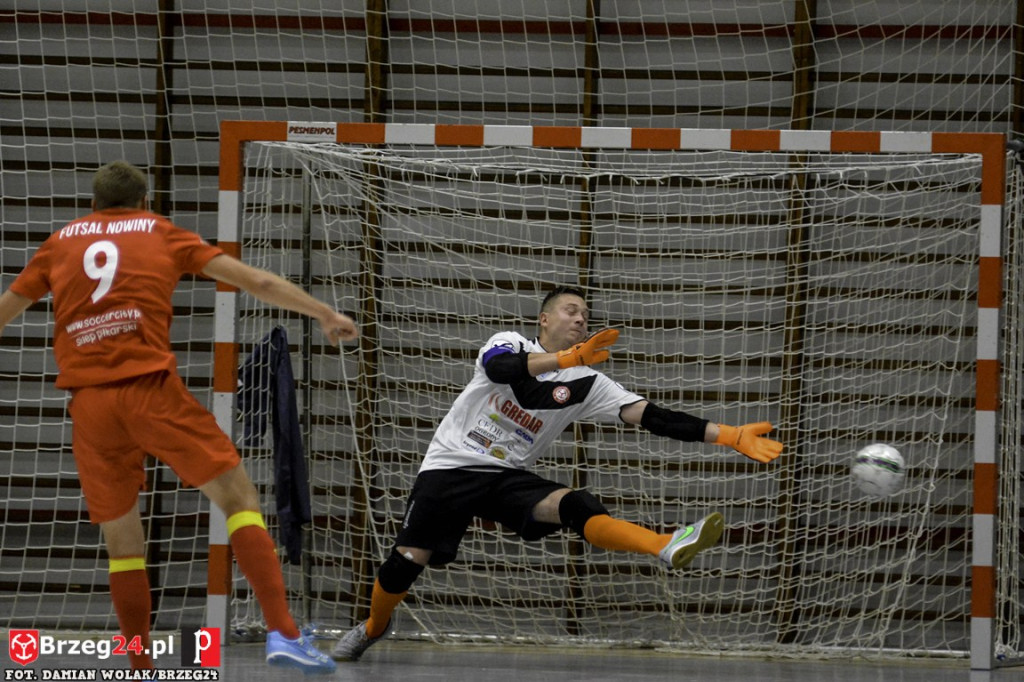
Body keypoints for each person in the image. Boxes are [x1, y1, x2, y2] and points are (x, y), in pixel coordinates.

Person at [0, 161, 357, 674]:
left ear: (93, 204)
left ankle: (140, 664)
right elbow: (253, 280)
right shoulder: (160, 232)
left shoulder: (60, 243)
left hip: (90, 406)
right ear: (145, 202)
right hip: (149, 392)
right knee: (238, 498)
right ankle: (282, 632)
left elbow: (7, 308)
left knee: (123, 541)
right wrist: (323, 312)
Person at [331, 285, 783, 662]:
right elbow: (501, 370)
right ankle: (373, 626)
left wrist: (727, 434)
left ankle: (664, 544)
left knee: (574, 505)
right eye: (572, 311)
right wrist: (564, 360)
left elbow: (652, 417)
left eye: (587, 315)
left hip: (508, 474)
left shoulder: (591, 382)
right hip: (452, 466)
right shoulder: (511, 342)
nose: (582, 319)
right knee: (407, 562)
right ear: (544, 320)